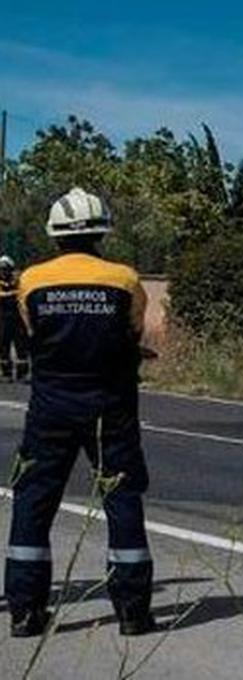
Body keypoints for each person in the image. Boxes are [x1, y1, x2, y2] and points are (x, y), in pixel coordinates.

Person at [6, 187, 156, 636]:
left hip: (50, 407)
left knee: (33, 500)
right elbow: (131, 332)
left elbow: (34, 334)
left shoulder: (31, 280)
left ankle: (25, 611)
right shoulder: (125, 279)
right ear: (102, 232)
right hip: (111, 407)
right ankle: (132, 613)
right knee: (122, 499)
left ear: (54, 233)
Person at [0, 255, 31, 382]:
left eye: (7, 269)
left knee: (21, 347)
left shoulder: (18, 282)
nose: (5, 272)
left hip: (18, 320)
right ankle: (6, 373)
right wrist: (15, 294)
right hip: (3, 320)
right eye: (2, 269)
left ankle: (22, 373)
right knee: (3, 346)